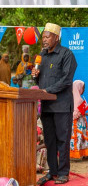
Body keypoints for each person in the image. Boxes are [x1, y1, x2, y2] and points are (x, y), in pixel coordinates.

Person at [33, 23, 78, 185]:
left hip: (62, 106)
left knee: (62, 140)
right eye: (43, 37)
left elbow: (66, 80)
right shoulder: (42, 56)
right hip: (46, 106)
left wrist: (47, 91)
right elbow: (40, 80)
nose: (44, 40)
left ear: (56, 38)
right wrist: (35, 75)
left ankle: (63, 173)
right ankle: (53, 171)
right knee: (50, 140)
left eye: (47, 37)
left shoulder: (67, 54)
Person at [70, 80, 88, 160]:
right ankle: (77, 154)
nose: (83, 90)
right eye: (83, 88)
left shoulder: (69, 98)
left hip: (72, 122)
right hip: (77, 123)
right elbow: (76, 113)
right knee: (78, 137)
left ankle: (74, 154)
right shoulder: (79, 100)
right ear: (78, 88)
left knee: (76, 137)